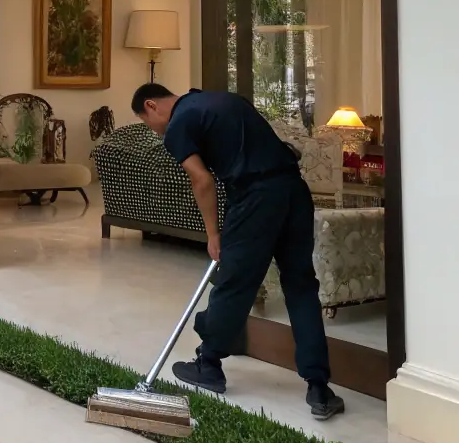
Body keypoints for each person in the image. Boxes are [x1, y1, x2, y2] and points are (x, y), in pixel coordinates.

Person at [131, 83, 345, 421]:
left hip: (255, 198)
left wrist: (213, 233)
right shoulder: (222, 98)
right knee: (301, 285)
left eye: (148, 123)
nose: (155, 132)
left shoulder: (178, 124)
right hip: (292, 190)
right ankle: (319, 386)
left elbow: (201, 180)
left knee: (234, 282)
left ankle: (209, 363)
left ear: (151, 105)